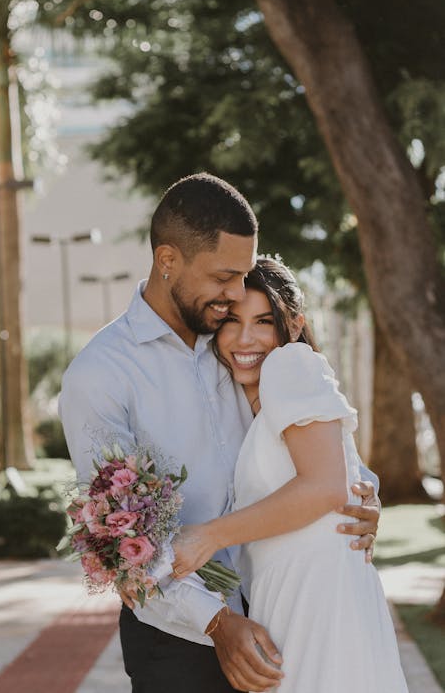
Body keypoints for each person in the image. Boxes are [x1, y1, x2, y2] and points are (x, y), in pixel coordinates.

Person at [59, 173, 381, 693]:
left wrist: (365, 494)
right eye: (224, 277)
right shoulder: (100, 376)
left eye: (244, 276)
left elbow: (313, 439)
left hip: (282, 612)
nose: (236, 295)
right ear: (168, 261)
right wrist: (217, 623)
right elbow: (120, 546)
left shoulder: (236, 344)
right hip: (179, 644)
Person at [171, 257, 408, 692]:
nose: (245, 338)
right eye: (231, 321)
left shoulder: (290, 366)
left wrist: (206, 537)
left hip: (320, 599)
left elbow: (324, 486)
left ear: (294, 325)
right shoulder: (252, 405)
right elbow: (349, 476)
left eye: (264, 321)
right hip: (288, 598)